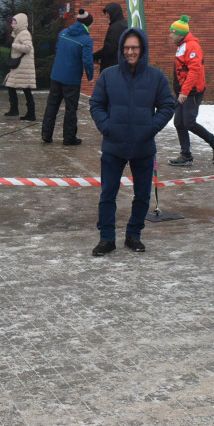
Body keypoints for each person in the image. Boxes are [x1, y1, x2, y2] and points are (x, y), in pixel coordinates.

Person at [89, 27, 175, 256]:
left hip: (143, 146)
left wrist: (151, 127)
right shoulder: (108, 75)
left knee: (142, 195)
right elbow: (96, 104)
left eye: (134, 47)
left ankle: (133, 235)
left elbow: (168, 105)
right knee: (108, 194)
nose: (130, 51)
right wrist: (106, 127)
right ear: (121, 49)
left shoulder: (156, 77)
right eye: (126, 47)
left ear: (142, 49)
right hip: (113, 146)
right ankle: (107, 238)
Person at [166, 14, 214, 166]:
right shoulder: (182, 46)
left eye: (172, 32)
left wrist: (184, 92)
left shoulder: (192, 46)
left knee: (189, 122)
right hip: (183, 91)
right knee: (179, 122)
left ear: (179, 34)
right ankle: (186, 155)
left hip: (192, 92)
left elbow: (194, 71)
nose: (170, 35)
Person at [41, 8, 94, 145]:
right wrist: (90, 76)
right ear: (87, 24)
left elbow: (58, 50)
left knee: (52, 105)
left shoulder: (63, 33)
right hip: (72, 79)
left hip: (56, 75)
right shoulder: (86, 40)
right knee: (71, 109)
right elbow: (87, 61)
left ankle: (46, 134)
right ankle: (69, 138)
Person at [4, 12, 37, 120]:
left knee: (25, 88)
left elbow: (28, 48)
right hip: (20, 66)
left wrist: (13, 45)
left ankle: (29, 113)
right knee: (12, 86)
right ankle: (17, 110)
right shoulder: (18, 33)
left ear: (21, 23)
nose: (12, 25)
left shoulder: (24, 33)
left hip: (22, 66)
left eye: (15, 23)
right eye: (12, 23)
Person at [92, 2, 126, 73]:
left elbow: (108, 49)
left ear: (114, 13)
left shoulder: (115, 28)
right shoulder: (124, 24)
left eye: (108, 14)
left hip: (112, 68)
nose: (106, 16)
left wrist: (94, 56)